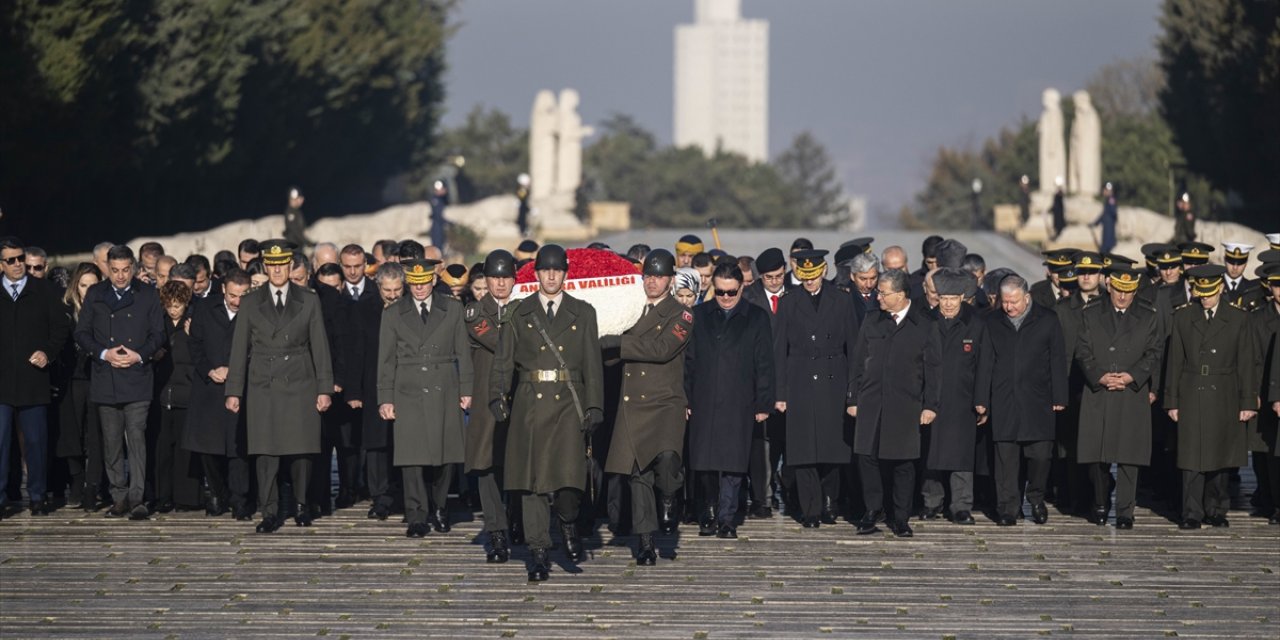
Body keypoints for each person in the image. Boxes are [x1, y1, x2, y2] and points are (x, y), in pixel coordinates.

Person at [488, 244, 604, 582]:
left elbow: (592, 365)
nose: (551, 275)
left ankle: (568, 522)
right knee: (532, 483)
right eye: (545, 270)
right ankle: (538, 553)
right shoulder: (519, 312)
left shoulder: (583, 312)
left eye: (557, 270)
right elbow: (503, 360)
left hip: (569, 402)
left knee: (570, 480)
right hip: (530, 402)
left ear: (566, 274)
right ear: (536, 274)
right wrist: (498, 395)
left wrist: (595, 404)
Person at [224, 240, 334, 533]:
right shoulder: (250, 301)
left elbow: (320, 346)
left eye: (281, 264)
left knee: (301, 450)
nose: (276, 270)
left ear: (290, 265)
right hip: (263, 381)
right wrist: (234, 390)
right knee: (265, 451)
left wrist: (324, 388)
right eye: (271, 265)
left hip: (300, 379)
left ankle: (301, 505)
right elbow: (239, 349)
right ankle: (269, 511)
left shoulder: (309, 299)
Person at [599, 249, 693, 563]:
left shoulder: (681, 314)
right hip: (633, 403)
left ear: (670, 280)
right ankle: (646, 542)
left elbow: (662, 349)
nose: (652, 282)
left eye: (659, 276)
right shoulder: (630, 310)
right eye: (648, 276)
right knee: (638, 475)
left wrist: (617, 342)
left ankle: (669, 495)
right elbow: (609, 352)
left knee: (666, 464)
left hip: (665, 402)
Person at [377, 258, 472, 538]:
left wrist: (467, 389)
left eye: (424, 282)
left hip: (444, 384)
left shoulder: (452, 308)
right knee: (411, 457)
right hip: (408, 388)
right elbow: (385, 359)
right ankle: (416, 514)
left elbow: (463, 352)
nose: (419, 288)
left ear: (433, 280)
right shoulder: (393, 313)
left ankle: (441, 507)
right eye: (414, 283)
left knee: (446, 454)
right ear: (408, 282)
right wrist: (385, 397)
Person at [74, 244, 165, 520]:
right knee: (112, 442)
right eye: (115, 270)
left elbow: (158, 335)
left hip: (137, 377)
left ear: (134, 268)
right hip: (105, 377)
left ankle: (137, 498)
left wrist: (139, 355)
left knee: (136, 438)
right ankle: (119, 496)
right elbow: (82, 333)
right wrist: (103, 353)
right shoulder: (96, 294)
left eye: (126, 270)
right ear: (107, 269)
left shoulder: (148, 294)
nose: (121, 276)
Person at [685, 262, 774, 539]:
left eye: (731, 292)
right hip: (703, 396)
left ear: (741, 289)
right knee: (704, 461)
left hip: (739, 399)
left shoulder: (757, 317)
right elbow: (687, 361)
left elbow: (765, 363)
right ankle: (708, 513)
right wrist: (684, 398)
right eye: (720, 292)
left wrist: (763, 403)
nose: (725, 298)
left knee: (734, 463)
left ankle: (727, 518)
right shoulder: (697, 315)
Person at [1164, 265, 1257, 529]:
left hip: (1225, 391)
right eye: (1199, 292)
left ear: (1219, 289)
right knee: (1191, 456)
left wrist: (1247, 402)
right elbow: (1175, 362)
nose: (1204, 297)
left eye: (1208, 292)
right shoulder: (1183, 317)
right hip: (1192, 390)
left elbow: (1246, 363)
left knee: (1221, 455)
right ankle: (1191, 513)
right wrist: (1172, 401)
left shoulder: (1239, 318)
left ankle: (1215, 509)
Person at [848, 268, 939, 538]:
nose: (878, 298)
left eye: (883, 293)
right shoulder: (872, 319)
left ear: (900, 294)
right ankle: (872, 510)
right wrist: (853, 397)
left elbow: (934, 370)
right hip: (871, 402)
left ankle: (901, 517)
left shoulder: (923, 325)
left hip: (906, 405)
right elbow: (858, 361)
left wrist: (930, 405)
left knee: (903, 464)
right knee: (867, 457)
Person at [774, 249, 859, 528]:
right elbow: (779, 350)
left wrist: (852, 392)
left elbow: (854, 348)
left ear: (823, 271)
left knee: (833, 449)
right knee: (803, 450)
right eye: (803, 276)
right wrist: (781, 393)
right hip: (799, 380)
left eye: (813, 276)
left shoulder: (842, 300)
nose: (809, 281)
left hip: (834, 378)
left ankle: (829, 502)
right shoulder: (788, 303)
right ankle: (810, 509)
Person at [976, 273, 1068, 526]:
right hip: (1003, 399)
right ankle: (1007, 508)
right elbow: (985, 363)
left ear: (1027, 297)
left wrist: (1060, 395)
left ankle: (1036, 497)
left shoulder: (1047, 319)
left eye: (1014, 302)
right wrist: (981, 399)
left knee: (1040, 456)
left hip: (1038, 400)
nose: (1009, 307)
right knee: (1005, 459)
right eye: (1005, 302)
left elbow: (1057, 360)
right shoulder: (992, 322)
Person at [1075, 266, 1162, 529]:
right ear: (1109, 286)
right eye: (1119, 291)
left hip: (1130, 392)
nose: (1123, 297)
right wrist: (1099, 376)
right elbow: (1082, 350)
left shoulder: (1148, 315)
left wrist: (1132, 376)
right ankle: (1100, 503)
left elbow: (1154, 352)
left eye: (1129, 292)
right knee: (1097, 454)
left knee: (1129, 456)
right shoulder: (1090, 312)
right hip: (1099, 390)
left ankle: (1125, 511)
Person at [1, 237, 72, 517]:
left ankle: (38, 496)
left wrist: (48, 352)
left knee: (35, 441)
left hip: (33, 378)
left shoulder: (45, 291)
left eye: (20, 258)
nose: (18, 264)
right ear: (1, 264)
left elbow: (60, 329)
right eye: (11, 260)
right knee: (1, 442)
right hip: (2, 379)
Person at [184, 269, 254, 520]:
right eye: (232, 295)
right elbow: (195, 343)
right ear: (223, 289)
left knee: (238, 448)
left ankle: (240, 499)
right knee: (208, 447)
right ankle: (216, 493)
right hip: (209, 387)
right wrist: (209, 370)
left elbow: (258, 347)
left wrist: (235, 371)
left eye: (242, 296)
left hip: (240, 387)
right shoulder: (205, 308)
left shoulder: (254, 310)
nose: (237, 301)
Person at [463, 251, 519, 561]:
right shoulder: (475, 312)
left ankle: (517, 523)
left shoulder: (525, 309)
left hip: (520, 398)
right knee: (486, 467)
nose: (500, 283)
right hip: (487, 401)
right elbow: (502, 344)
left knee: (518, 465)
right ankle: (496, 533)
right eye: (495, 278)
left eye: (505, 277)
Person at [921, 268, 989, 525]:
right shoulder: (926, 322)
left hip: (963, 399)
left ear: (963, 297)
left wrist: (982, 401)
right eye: (943, 298)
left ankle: (961, 506)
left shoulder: (976, 324)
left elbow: (984, 365)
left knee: (962, 455)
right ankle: (931, 501)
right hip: (931, 398)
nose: (948, 304)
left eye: (953, 298)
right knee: (931, 453)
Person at [346, 262, 404, 522]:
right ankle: (380, 497)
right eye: (387, 290)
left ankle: (402, 495)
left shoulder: (409, 308)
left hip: (405, 385)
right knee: (376, 443)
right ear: (378, 287)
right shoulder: (363, 310)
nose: (392, 295)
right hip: (372, 385)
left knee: (402, 442)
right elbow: (355, 351)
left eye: (397, 289)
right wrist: (354, 390)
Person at [741, 247, 789, 517]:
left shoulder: (794, 298)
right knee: (761, 443)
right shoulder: (749, 299)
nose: (775, 281)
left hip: (789, 380)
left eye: (779, 275)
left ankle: (783, 488)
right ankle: (762, 497)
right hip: (757, 381)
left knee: (784, 441)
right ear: (760, 277)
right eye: (769, 277)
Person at [54, 263, 104, 511]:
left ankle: (93, 485)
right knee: (71, 432)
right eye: (83, 285)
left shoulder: (105, 310)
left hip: (98, 378)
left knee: (96, 433)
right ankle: (77, 480)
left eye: (92, 285)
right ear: (75, 286)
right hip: (72, 378)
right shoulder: (65, 311)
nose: (87, 290)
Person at [152, 281, 201, 512]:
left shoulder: (192, 325)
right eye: (170, 305)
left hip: (186, 394)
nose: (174, 309)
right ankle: (163, 496)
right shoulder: (158, 324)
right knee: (163, 449)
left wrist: (192, 337)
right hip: (162, 394)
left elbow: (199, 356)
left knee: (185, 450)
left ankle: (187, 497)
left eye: (178, 305)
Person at [847, 252, 881, 325]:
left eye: (873, 278)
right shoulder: (844, 297)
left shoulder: (886, 293)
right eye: (863, 279)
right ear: (852, 276)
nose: (869, 285)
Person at [1092, 182, 1118, 254]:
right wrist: (1096, 223)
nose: (1103, 192)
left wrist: (1097, 222)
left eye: (1105, 190)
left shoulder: (1111, 200)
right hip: (1107, 226)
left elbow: (1111, 213)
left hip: (1109, 226)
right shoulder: (1108, 200)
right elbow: (1104, 214)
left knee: (1106, 247)